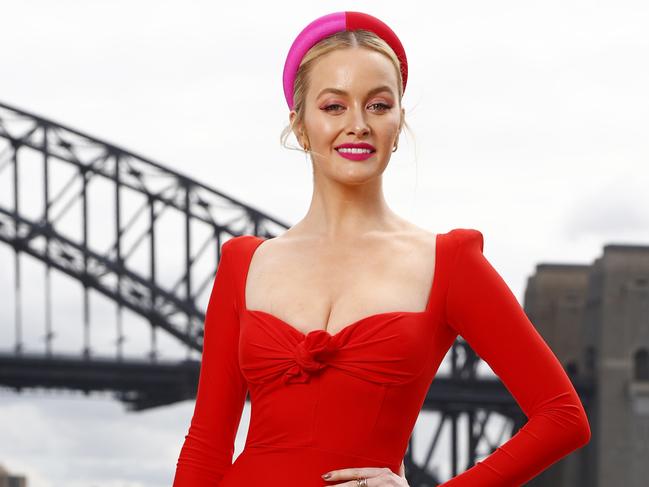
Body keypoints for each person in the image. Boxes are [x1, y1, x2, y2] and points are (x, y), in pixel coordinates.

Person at [172, 11, 591, 487]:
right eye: (334, 106)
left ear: (399, 121)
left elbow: (563, 416)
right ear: (300, 124)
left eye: (377, 105)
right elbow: (207, 443)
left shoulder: (449, 263)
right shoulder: (244, 264)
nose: (358, 125)